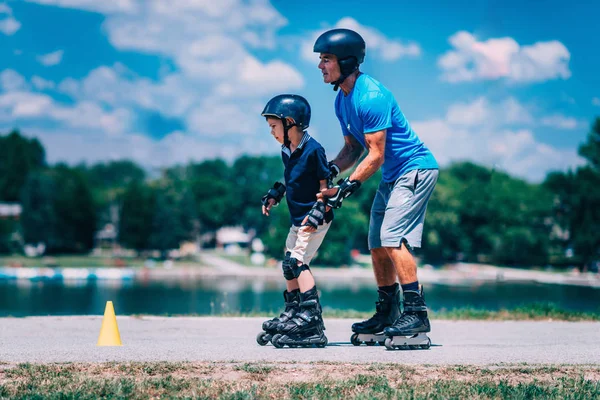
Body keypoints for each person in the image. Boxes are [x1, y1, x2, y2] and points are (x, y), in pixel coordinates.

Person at [313, 29, 439, 349]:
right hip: (392, 176)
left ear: (346, 60)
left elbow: (377, 154)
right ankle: (388, 312)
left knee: (392, 236)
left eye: (326, 59)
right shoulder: (342, 101)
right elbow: (353, 150)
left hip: (415, 168)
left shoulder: (371, 95)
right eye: (321, 60)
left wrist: (348, 186)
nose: (321, 66)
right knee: (376, 242)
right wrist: (330, 171)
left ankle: (416, 312)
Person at [256, 94, 332, 348]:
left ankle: (311, 319)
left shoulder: (314, 150)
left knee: (298, 262)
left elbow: (325, 186)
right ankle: (294, 311)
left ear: (290, 123)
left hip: (314, 217)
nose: (271, 132)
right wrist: (276, 194)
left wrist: (318, 210)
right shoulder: (286, 150)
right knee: (288, 265)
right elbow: (292, 180)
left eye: (274, 127)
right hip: (298, 218)